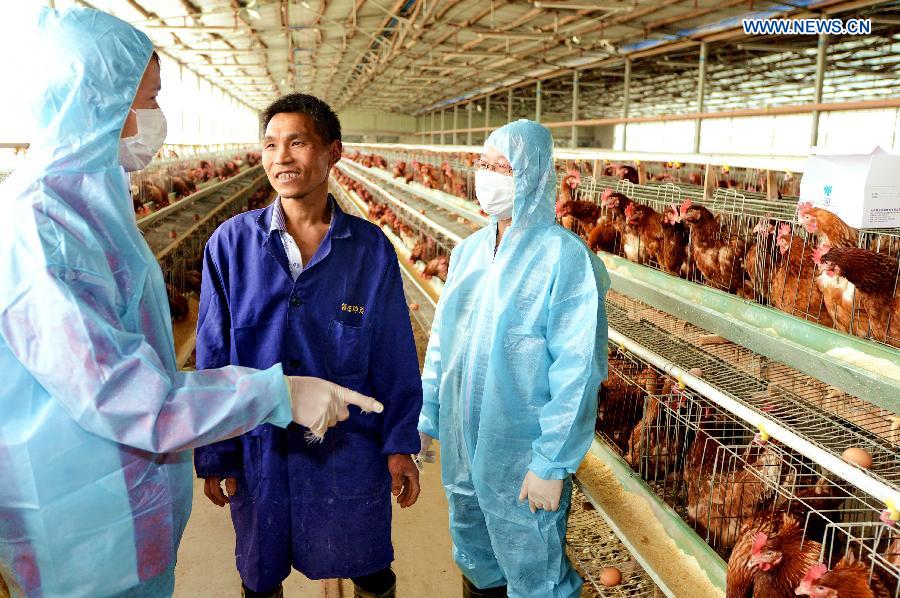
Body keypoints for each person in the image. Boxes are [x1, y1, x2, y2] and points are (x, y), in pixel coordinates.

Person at [0, 9, 378, 597]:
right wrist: (274, 394)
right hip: (81, 526)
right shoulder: (41, 225)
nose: (155, 116)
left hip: (121, 509)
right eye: (147, 98)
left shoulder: (92, 205)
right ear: (97, 99)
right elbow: (123, 393)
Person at [193, 93, 423, 598]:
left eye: (297, 142)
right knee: (259, 572)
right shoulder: (230, 246)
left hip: (348, 448)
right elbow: (212, 357)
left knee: (369, 567)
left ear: (332, 152)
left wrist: (401, 442)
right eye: (271, 144)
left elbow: (394, 355)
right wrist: (216, 454)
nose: (281, 157)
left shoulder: (369, 249)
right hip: (261, 447)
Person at [417, 120, 610, 598]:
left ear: (534, 175)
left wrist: (551, 462)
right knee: (475, 555)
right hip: (464, 442)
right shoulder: (467, 252)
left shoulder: (566, 260)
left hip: (522, 451)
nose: (488, 174)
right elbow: (443, 341)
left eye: (502, 166)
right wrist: (427, 412)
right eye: (484, 163)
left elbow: (577, 371)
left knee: (533, 570)